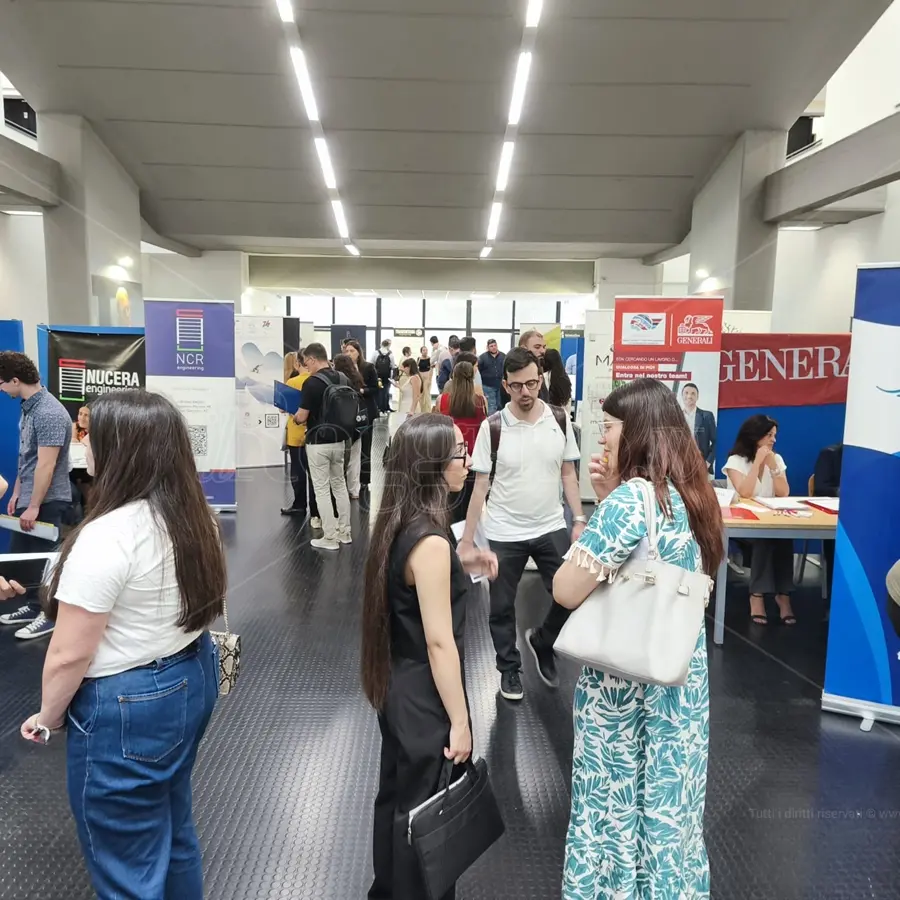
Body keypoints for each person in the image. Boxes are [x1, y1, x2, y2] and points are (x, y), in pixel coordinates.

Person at [18, 389, 224, 900]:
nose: (83, 448)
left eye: (91, 438)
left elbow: (68, 653)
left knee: (126, 866)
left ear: (119, 450)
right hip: (192, 674)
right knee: (174, 830)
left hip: (129, 705)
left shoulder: (107, 535)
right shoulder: (196, 516)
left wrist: (47, 718)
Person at [552, 377, 724, 900]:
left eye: (608, 428)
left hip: (623, 695)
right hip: (678, 688)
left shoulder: (631, 501)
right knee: (667, 819)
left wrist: (602, 508)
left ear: (638, 433)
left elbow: (564, 589)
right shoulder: (695, 496)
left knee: (613, 811)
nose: (601, 439)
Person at [362, 414, 498, 900]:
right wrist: (461, 721)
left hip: (397, 688)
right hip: (426, 697)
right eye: (460, 453)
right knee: (427, 818)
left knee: (398, 801)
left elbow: (418, 578)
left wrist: (463, 562)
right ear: (434, 466)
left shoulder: (401, 526)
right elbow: (440, 642)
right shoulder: (433, 542)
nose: (467, 462)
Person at [460, 347, 585, 701]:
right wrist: (469, 539)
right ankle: (509, 669)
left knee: (570, 593)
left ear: (541, 378)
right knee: (501, 608)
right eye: (517, 386)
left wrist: (577, 519)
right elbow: (480, 485)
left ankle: (543, 641)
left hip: (549, 526)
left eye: (532, 383)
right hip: (503, 530)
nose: (526, 392)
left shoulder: (559, 420)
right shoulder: (493, 426)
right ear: (506, 385)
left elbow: (568, 474)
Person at [0, 350, 72, 640]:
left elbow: (47, 464)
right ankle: (32, 606)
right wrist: (17, 493)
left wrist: (34, 505)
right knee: (22, 561)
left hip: (48, 501)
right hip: (30, 499)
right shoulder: (29, 409)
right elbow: (26, 458)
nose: (1, 389)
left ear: (15, 380)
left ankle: (50, 615)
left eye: (2, 383)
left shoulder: (49, 413)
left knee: (47, 564)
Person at [724, 414, 796, 625]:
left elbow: (783, 493)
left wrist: (773, 467)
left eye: (774, 435)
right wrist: (757, 463)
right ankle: (757, 595)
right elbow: (745, 492)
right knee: (765, 538)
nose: (773, 440)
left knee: (783, 537)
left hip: (770, 518)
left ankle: (784, 595)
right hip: (742, 524)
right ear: (754, 437)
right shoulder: (735, 461)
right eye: (768, 435)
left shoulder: (777, 458)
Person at [294, 343, 353, 551]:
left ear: (311, 359)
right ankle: (345, 532)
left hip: (318, 442)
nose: (305, 366)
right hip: (341, 440)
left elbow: (302, 417)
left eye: (305, 362)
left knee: (321, 489)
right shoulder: (343, 378)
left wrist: (294, 418)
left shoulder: (311, 383)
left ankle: (329, 537)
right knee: (339, 485)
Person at [438, 361, 487, 524]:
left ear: (453, 377)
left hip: (450, 456)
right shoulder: (481, 401)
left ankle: (450, 537)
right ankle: (468, 537)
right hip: (474, 457)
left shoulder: (443, 400)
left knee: (450, 501)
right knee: (472, 502)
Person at [280, 352, 327, 526]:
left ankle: (299, 505)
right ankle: (316, 511)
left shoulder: (292, 383)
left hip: (296, 432)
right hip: (315, 432)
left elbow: (283, 408)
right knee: (315, 474)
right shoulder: (318, 382)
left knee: (298, 472)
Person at [345, 340, 380, 504]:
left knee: (366, 445)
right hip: (350, 411)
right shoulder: (344, 369)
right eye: (347, 351)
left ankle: (365, 479)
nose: (349, 354)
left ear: (358, 352)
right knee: (351, 447)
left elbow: (375, 388)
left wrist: (362, 390)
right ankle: (351, 478)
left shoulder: (368, 367)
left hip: (367, 409)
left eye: (352, 351)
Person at [334, 351, 366, 500]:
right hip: (357, 422)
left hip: (340, 423)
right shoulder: (357, 378)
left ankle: (340, 490)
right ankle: (354, 490)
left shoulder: (336, 380)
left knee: (339, 460)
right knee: (355, 458)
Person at [813, 442, 842, 601]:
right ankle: (834, 597)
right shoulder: (830, 454)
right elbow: (820, 487)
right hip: (834, 515)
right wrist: (845, 491)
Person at [680, 382, 717, 474]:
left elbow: (717, 441)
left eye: (693, 393)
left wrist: (708, 462)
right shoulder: (676, 416)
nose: (689, 396)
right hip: (681, 466)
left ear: (697, 397)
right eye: (686, 393)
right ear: (682, 396)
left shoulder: (706, 416)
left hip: (702, 466)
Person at [389, 358, 422, 441]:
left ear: (409, 367)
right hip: (406, 405)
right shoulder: (410, 378)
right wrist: (397, 386)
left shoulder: (415, 378)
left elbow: (416, 395)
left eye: (404, 368)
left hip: (410, 407)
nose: (404, 370)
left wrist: (412, 410)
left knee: (411, 431)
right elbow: (406, 391)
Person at [70, 405, 93, 516]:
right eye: (80, 414)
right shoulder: (74, 426)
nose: (82, 418)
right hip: (76, 467)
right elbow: (73, 442)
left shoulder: (97, 430)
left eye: (86, 415)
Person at [518, 330, 550, 402]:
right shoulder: (515, 375)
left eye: (544, 347)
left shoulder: (539, 369)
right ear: (523, 348)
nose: (543, 351)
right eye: (537, 347)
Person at [478, 339, 505, 415]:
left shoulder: (503, 356)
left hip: (501, 385)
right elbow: (478, 371)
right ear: (488, 347)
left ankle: (501, 423)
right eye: (491, 346)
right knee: (491, 406)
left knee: (501, 405)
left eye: (495, 345)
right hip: (488, 386)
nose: (493, 347)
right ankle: (492, 423)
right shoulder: (482, 358)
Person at [543, 348, 572, 414]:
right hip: (562, 417)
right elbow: (567, 404)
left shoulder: (543, 377)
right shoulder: (565, 379)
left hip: (548, 416)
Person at [373, 340, 395, 414]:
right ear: (389, 345)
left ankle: (379, 408)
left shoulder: (376, 353)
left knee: (378, 392)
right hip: (387, 376)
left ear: (381, 344)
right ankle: (386, 407)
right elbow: (392, 366)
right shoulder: (390, 354)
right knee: (386, 392)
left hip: (377, 376)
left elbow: (371, 363)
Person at [417, 346, 433, 413]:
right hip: (421, 377)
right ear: (421, 351)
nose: (425, 351)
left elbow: (431, 369)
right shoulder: (419, 359)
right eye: (424, 350)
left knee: (427, 393)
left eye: (426, 350)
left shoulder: (430, 359)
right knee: (421, 394)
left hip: (427, 377)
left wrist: (429, 378)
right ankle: (421, 409)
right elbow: (416, 368)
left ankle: (428, 409)